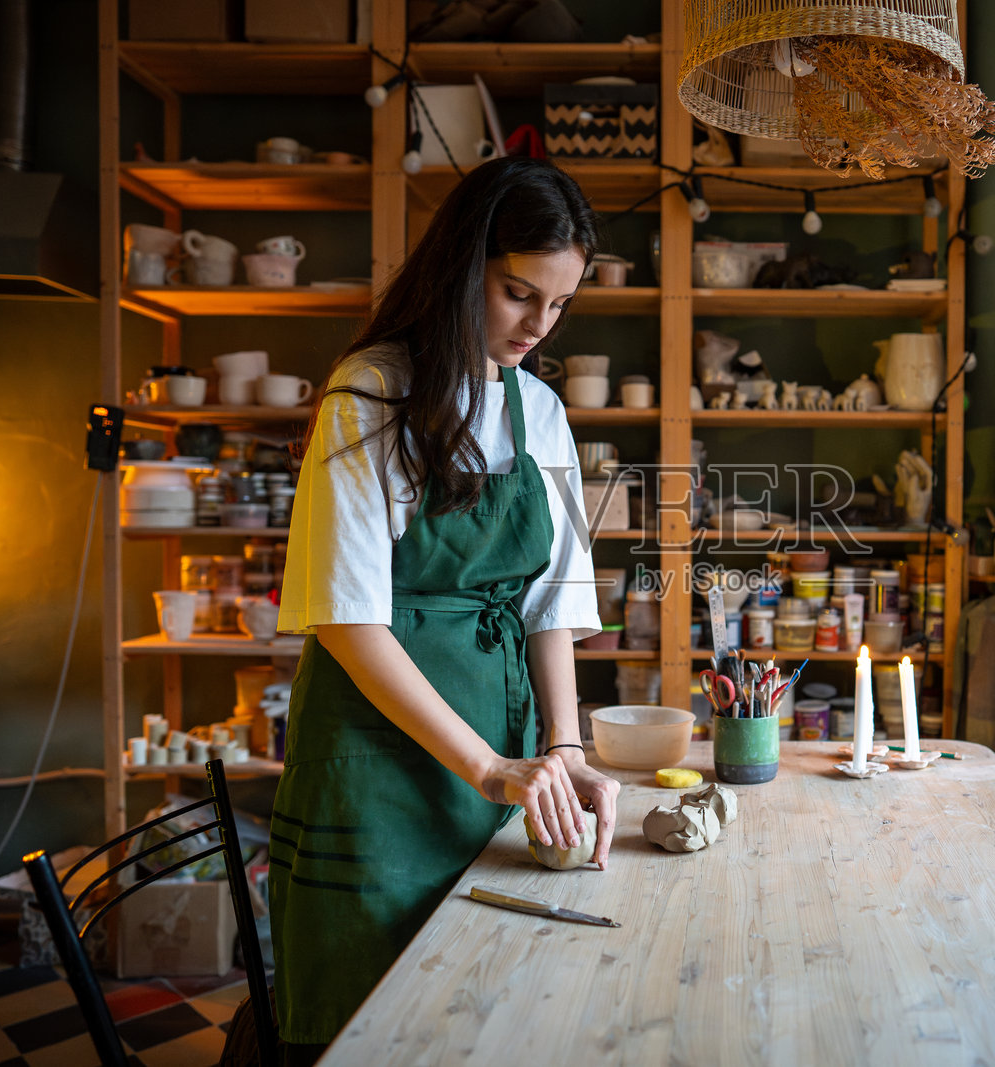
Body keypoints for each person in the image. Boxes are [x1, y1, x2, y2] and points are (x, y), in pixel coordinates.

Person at [267, 156, 619, 1060]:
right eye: (518, 293)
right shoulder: (370, 393)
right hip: (378, 770)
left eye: (559, 304)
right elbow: (349, 620)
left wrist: (563, 748)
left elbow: (551, 600)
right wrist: (490, 767)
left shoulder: (540, 410)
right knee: (371, 1026)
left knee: (487, 1015)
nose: (538, 326)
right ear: (464, 267)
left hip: (499, 756)